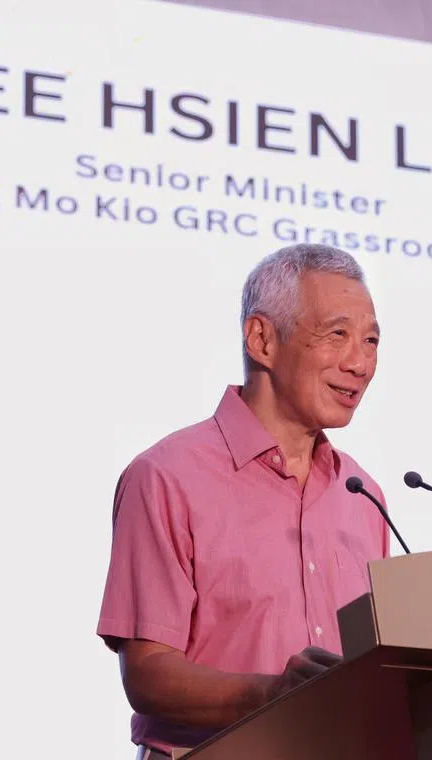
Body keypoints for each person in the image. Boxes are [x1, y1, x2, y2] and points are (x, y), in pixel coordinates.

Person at [96, 244, 390, 759]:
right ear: (262, 339)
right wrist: (270, 696)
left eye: (371, 341)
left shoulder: (363, 495)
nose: (360, 363)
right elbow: (147, 675)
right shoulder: (167, 476)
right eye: (337, 335)